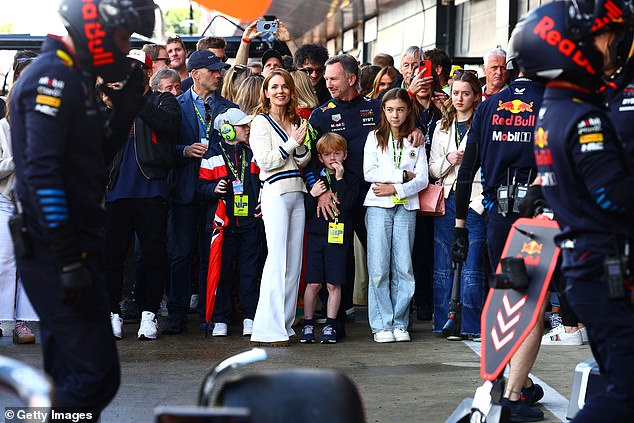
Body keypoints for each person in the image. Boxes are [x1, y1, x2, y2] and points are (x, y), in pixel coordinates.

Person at [9, 0, 156, 416]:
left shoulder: (73, 76)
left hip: (71, 243)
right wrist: (68, 257)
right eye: (124, 37)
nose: (125, 48)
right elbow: (42, 175)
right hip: (59, 246)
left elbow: (89, 157)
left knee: (70, 374)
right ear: (98, 29)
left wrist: (126, 107)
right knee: (94, 375)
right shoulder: (52, 77)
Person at [511, 1, 634, 421]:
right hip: (604, 267)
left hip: (588, 266)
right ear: (572, 47)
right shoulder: (584, 118)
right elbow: (615, 197)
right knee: (624, 394)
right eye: (604, 37)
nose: (614, 44)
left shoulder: (555, 106)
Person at [451, 47, 545, 423]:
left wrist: (459, 223)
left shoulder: (488, 106)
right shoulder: (552, 102)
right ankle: (511, 393)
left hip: (496, 218)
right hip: (538, 219)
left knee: (504, 301)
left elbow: (467, 167)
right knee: (531, 305)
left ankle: (510, 381)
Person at [105, 49, 180, 340]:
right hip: (115, 189)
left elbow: (169, 125)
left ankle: (149, 314)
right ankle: (113, 313)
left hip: (151, 187)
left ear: (148, 73)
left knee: (153, 255)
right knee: (112, 256)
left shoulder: (163, 99)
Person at [165, 50, 232, 335]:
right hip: (183, 190)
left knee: (213, 253)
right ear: (195, 74)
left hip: (216, 191)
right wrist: (184, 150)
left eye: (220, 70)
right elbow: (161, 148)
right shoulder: (173, 106)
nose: (219, 74)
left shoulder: (229, 107)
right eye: (213, 70)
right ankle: (177, 314)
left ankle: (212, 312)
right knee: (180, 254)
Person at [249, 69, 311, 347]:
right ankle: (267, 329)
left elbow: (305, 159)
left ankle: (285, 325)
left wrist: (298, 146)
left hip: (297, 192)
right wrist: (292, 144)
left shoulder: (295, 119)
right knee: (277, 259)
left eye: (284, 86)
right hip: (275, 191)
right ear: (266, 91)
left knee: (294, 262)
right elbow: (265, 161)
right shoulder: (260, 122)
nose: (280, 91)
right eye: (274, 86)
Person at [363, 88, 428, 343]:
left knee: (404, 267)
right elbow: (369, 172)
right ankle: (381, 324)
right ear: (383, 111)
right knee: (378, 267)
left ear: (408, 110)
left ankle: (400, 322)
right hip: (378, 205)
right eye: (389, 110)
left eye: (400, 109)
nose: (395, 115)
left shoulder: (416, 139)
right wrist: (400, 177)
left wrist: (396, 188)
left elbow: (422, 178)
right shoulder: (374, 137)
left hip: (406, 205)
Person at [428, 71, 485, 339]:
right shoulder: (441, 127)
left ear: (475, 96)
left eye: (465, 93)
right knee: (443, 263)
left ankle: (472, 325)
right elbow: (431, 169)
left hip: (475, 201)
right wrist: (450, 159)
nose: (460, 98)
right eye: (455, 93)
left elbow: (491, 166)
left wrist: (482, 201)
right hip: (446, 199)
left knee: (472, 265)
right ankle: (443, 322)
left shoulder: (483, 125)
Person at [198, 108, 262, 337]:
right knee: (221, 271)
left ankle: (250, 316)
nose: (247, 128)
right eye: (242, 126)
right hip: (222, 226)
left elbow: (262, 182)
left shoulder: (252, 152)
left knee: (249, 272)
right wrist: (212, 189)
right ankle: (219, 318)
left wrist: (262, 200)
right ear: (226, 129)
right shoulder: (211, 156)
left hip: (248, 224)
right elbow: (200, 187)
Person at [301, 133, 357, 344]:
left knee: (334, 283)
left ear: (345, 155)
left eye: (337, 153)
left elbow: (349, 203)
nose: (333, 158)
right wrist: (312, 194)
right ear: (320, 158)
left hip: (339, 237)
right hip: (316, 236)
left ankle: (331, 325)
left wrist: (340, 180)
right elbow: (305, 209)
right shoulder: (316, 178)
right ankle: (307, 324)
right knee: (313, 283)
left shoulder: (349, 176)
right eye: (327, 155)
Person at [0, 51, 38, 344]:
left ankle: (23, 323)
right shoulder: (2, 125)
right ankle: (4, 320)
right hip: (5, 201)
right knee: (5, 262)